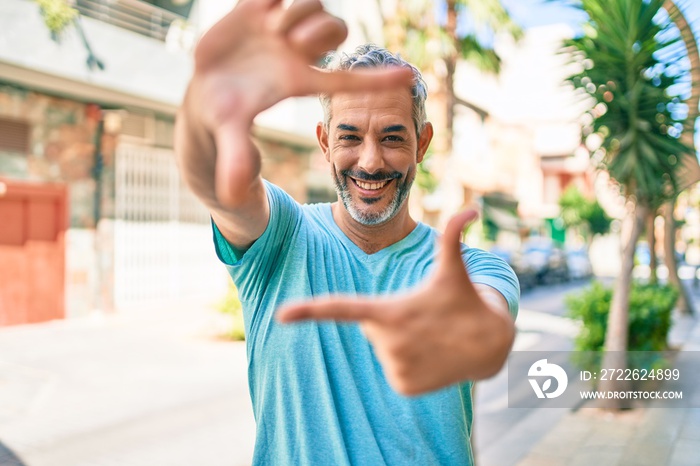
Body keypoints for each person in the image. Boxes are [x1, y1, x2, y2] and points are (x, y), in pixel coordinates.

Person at [175, 0, 519, 464]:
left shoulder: (473, 268)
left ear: (422, 143)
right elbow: (219, 185)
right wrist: (203, 112)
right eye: (350, 136)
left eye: (393, 137)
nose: (371, 161)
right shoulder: (281, 238)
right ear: (324, 141)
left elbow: (486, 318)